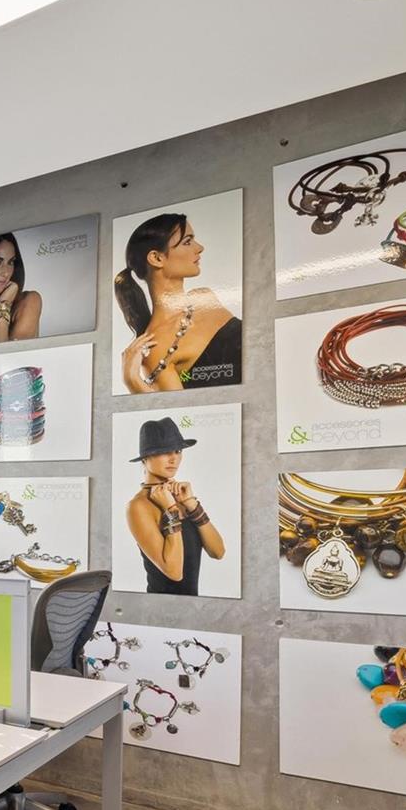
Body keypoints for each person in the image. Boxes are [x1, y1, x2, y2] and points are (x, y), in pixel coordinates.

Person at [114, 213, 241, 392]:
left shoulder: (204, 297)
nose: (200, 248)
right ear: (157, 258)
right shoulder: (156, 348)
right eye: (187, 242)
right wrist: (132, 380)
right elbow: (176, 408)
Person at [126, 417, 225, 596]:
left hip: (193, 605)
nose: (174, 459)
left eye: (178, 451)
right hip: (161, 607)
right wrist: (170, 510)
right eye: (164, 452)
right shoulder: (138, 506)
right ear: (145, 458)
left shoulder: (181, 496)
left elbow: (218, 552)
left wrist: (192, 504)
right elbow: (174, 572)